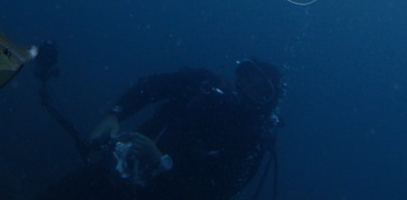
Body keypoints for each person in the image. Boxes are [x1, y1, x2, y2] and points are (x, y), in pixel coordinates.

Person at [37, 44, 284, 200]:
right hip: (118, 169)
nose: (244, 89)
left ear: (266, 104)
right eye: (246, 78)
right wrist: (115, 115)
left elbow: (221, 191)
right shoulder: (203, 85)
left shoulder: (251, 141)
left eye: (258, 90)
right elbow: (153, 87)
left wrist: (160, 166)